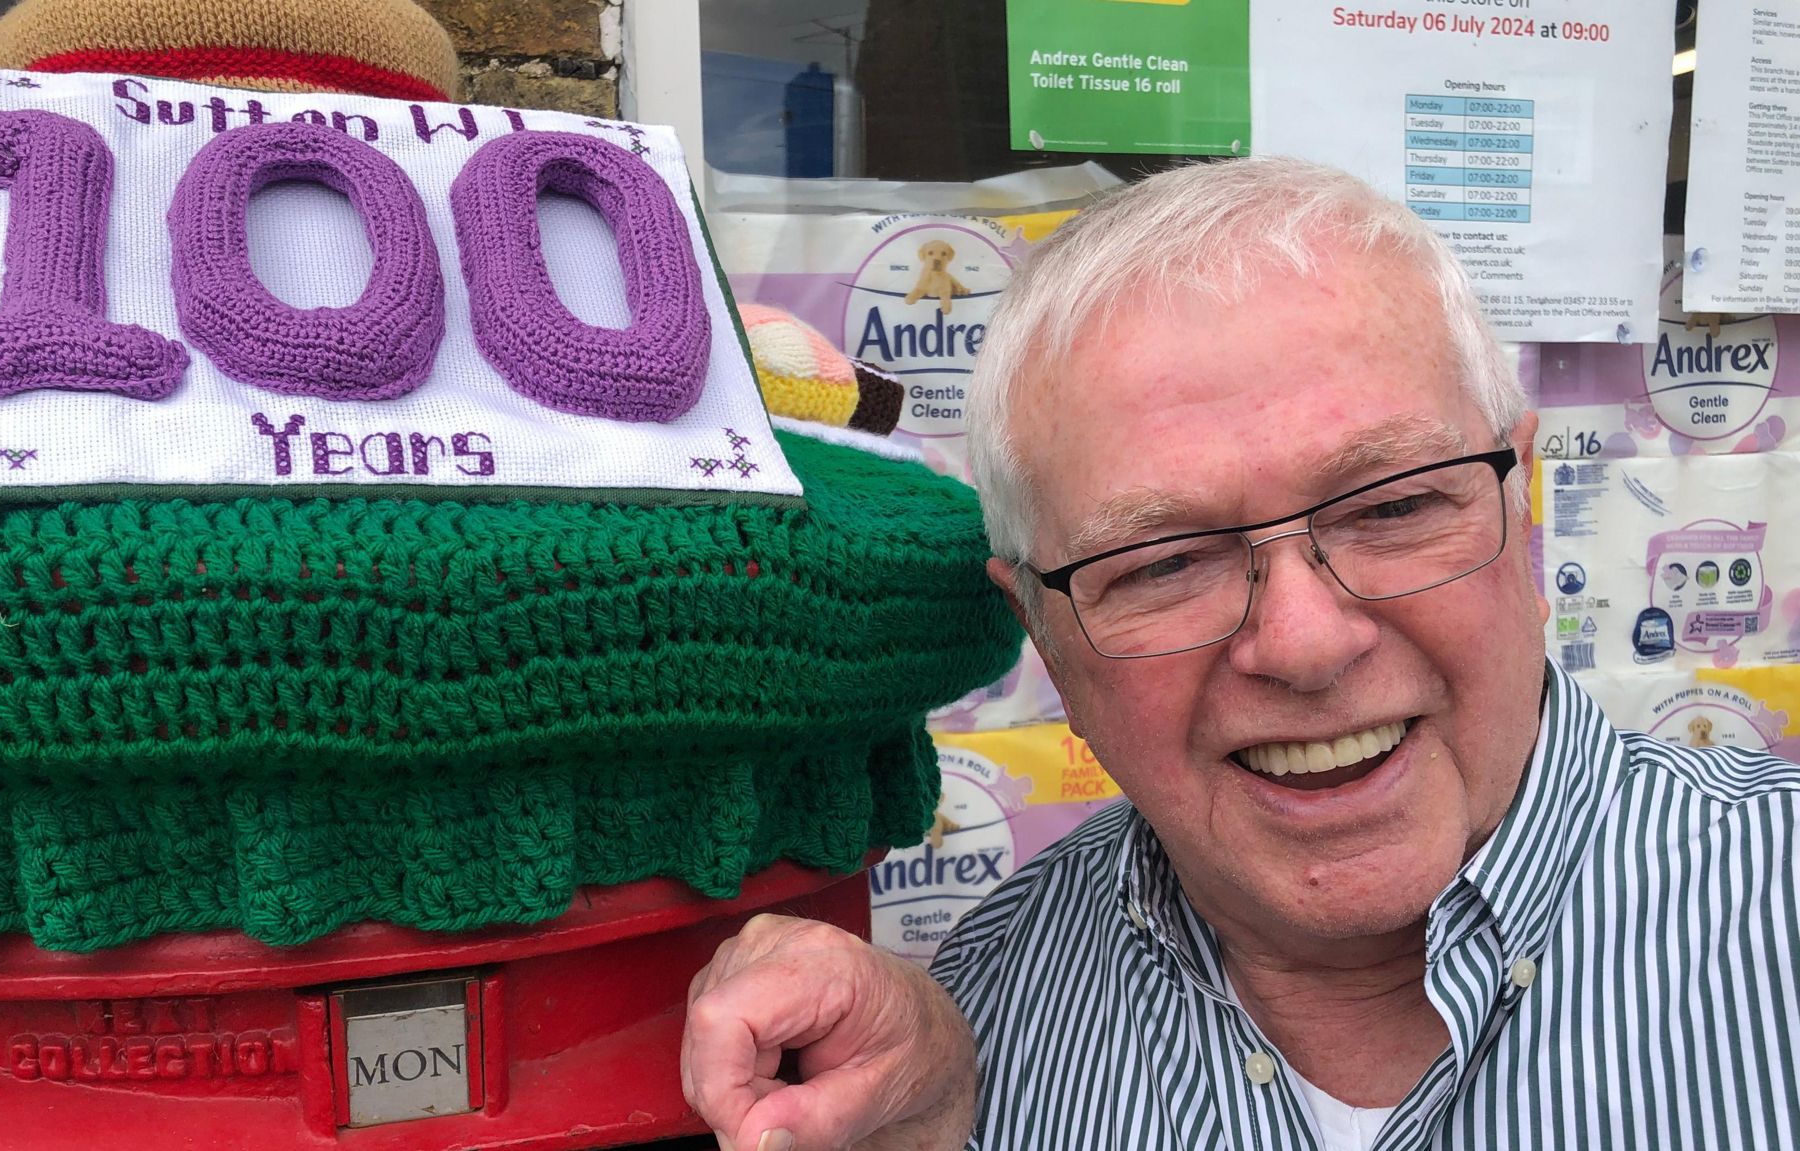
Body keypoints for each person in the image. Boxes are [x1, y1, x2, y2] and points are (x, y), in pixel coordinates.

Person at [680, 157, 1800, 1151]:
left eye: (1395, 505)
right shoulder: (970, 1038)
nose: (1305, 642)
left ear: (1521, 503)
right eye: (1161, 563)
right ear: (1045, 639)